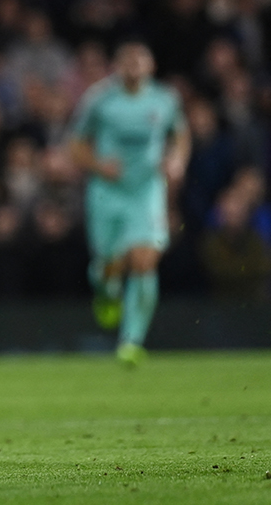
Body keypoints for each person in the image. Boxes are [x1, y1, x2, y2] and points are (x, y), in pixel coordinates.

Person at [68, 41, 190, 365]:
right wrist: (98, 165)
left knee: (144, 260)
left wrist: (176, 160)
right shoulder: (99, 100)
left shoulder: (165, 99)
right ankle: (105, 289)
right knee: (111, 263)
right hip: (108, 192)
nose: (134, 66)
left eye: (140, 60)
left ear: (151, 66)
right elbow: (76, 144)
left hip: (146, 190)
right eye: (127, 60)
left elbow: (181, 135)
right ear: (117, 66)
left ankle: (131, 341)